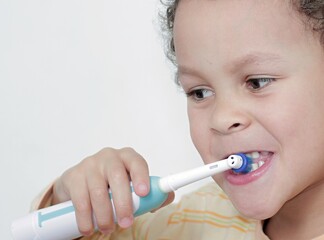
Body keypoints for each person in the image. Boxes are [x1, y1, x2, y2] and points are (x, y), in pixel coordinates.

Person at [32, 0, 324, 239]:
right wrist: (73, 202)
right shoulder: (192, 222)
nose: (222, 118)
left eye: (257, 82)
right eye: (200, 92)